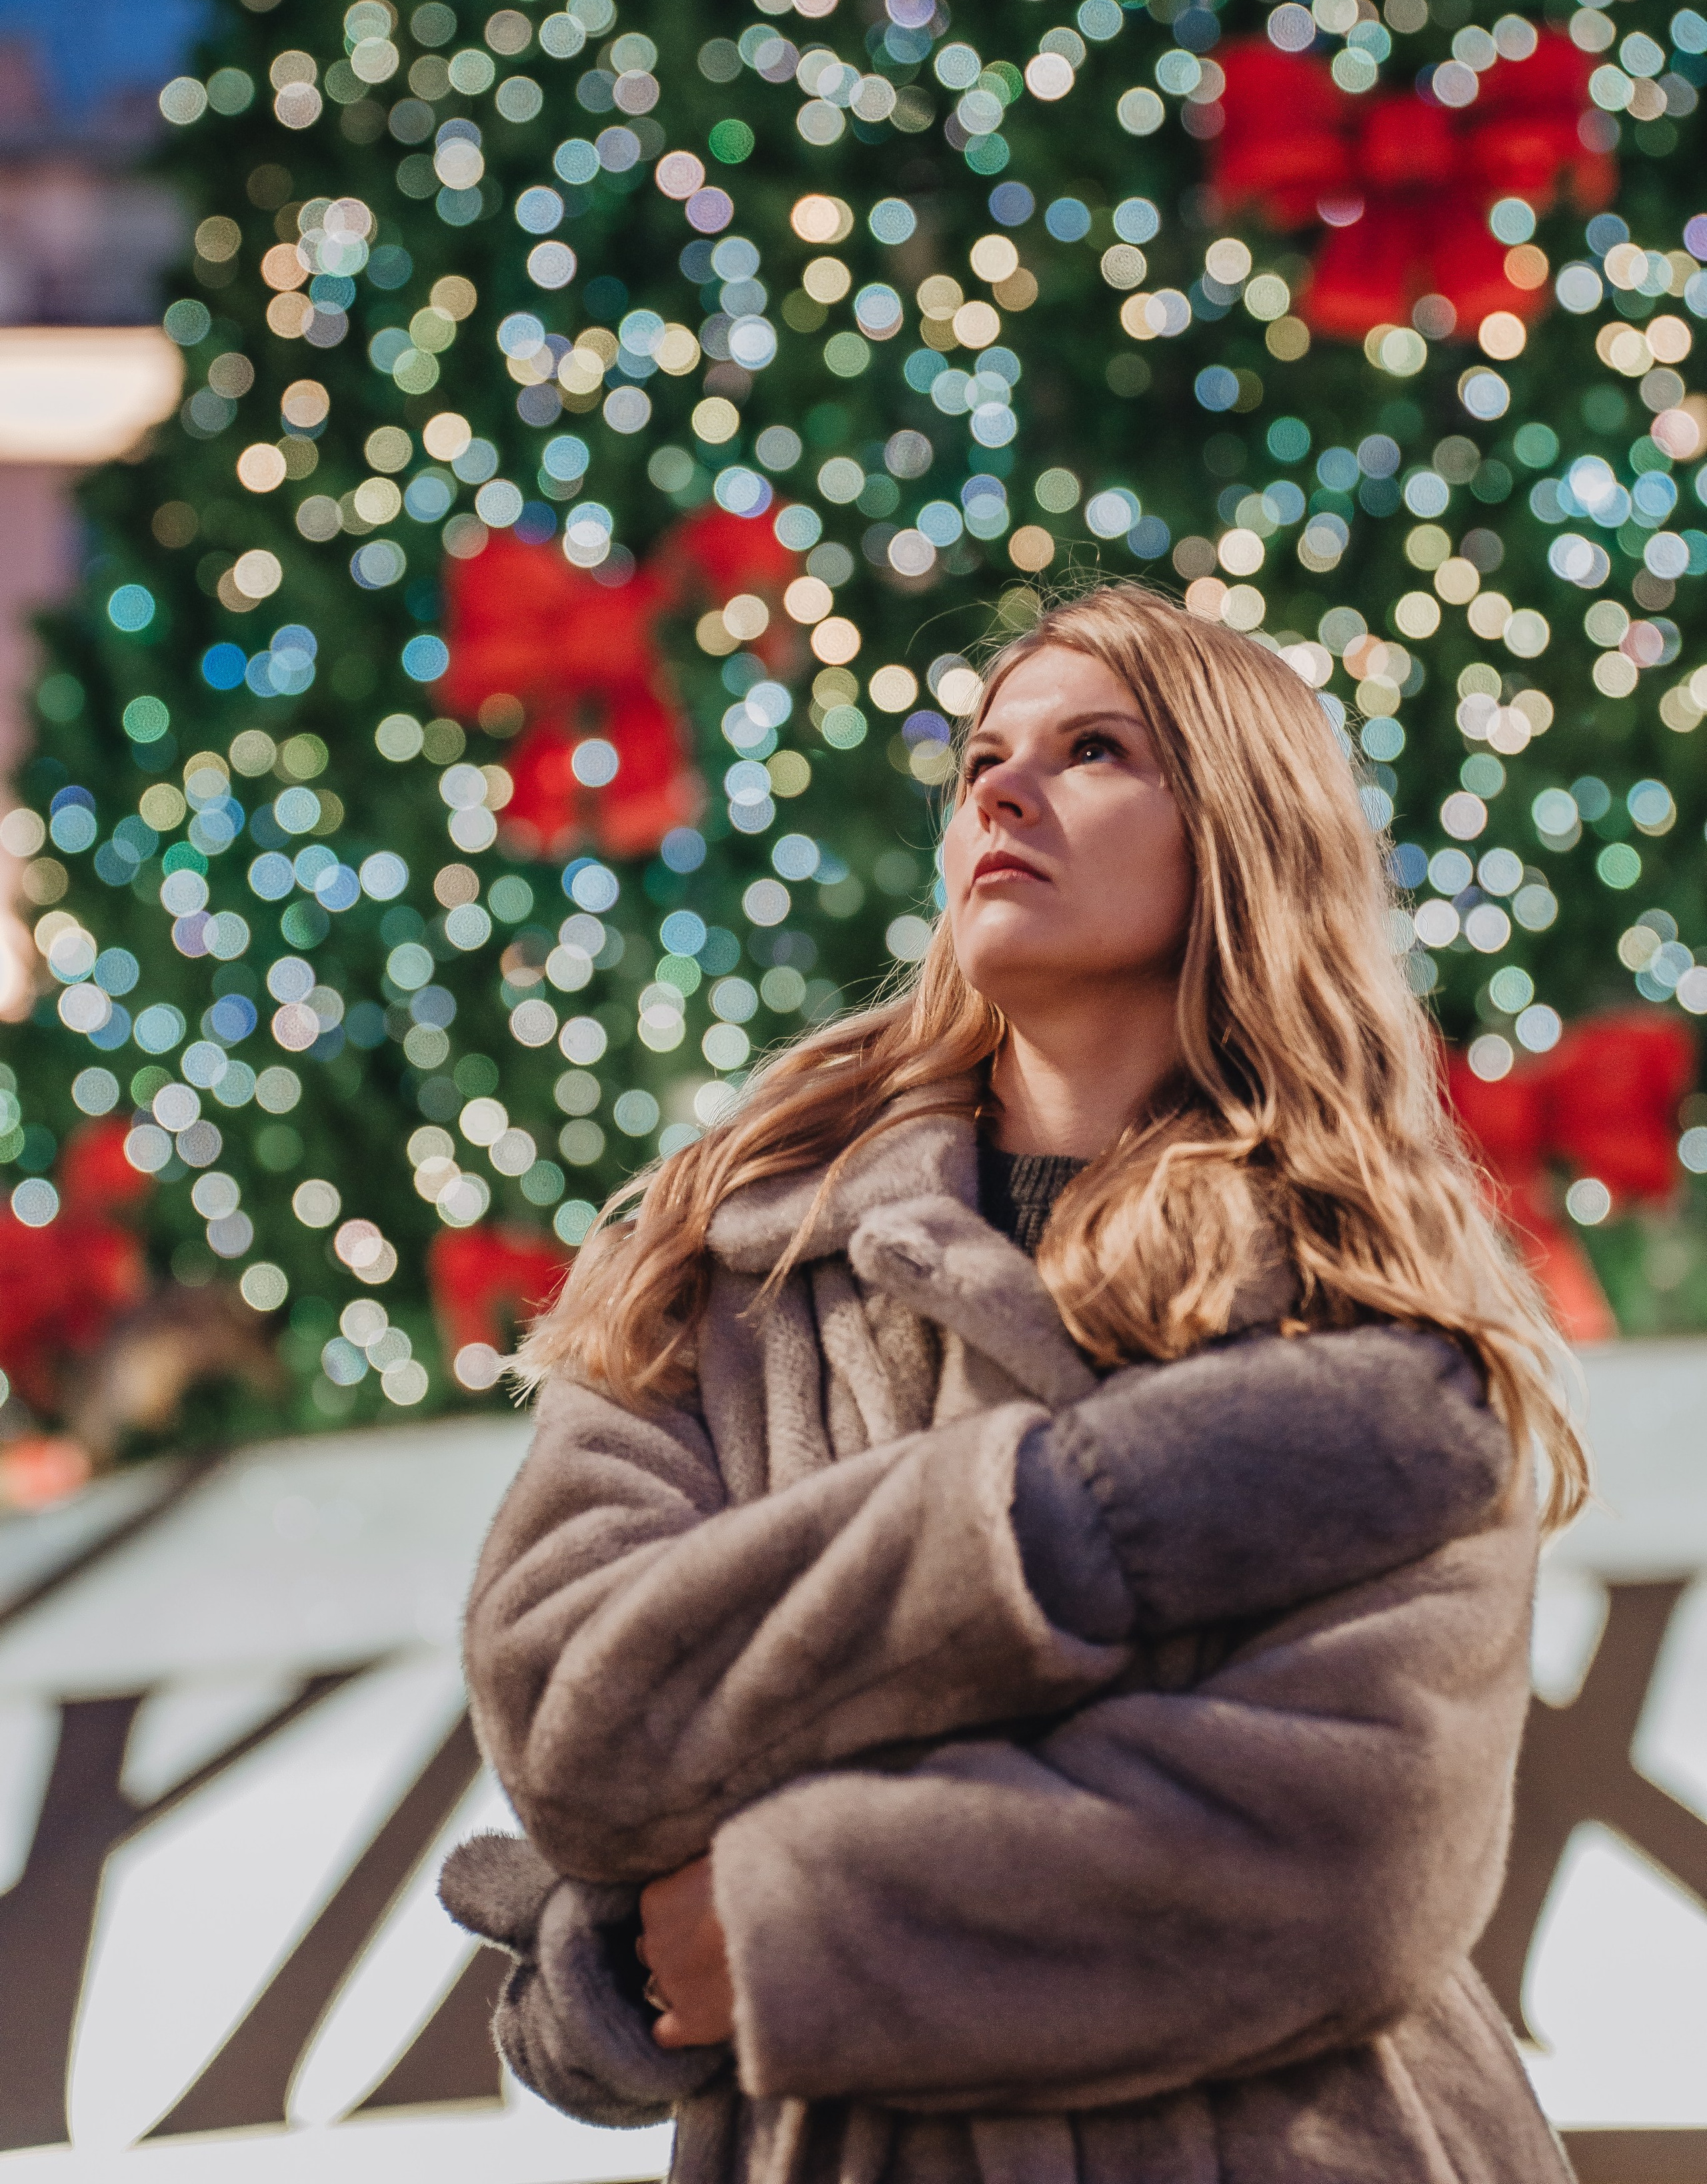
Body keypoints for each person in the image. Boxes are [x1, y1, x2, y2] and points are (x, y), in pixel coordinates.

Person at [445, 581, 1586, 2184]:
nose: (1000, 787)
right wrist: (1058, 1530)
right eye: (987, 755)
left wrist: (779, 1922)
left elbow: (1337, 1866)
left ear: (1240, 838)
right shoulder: (725, 1257)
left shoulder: (1369, 1300)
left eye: (1095, 750)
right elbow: (575, 1715)